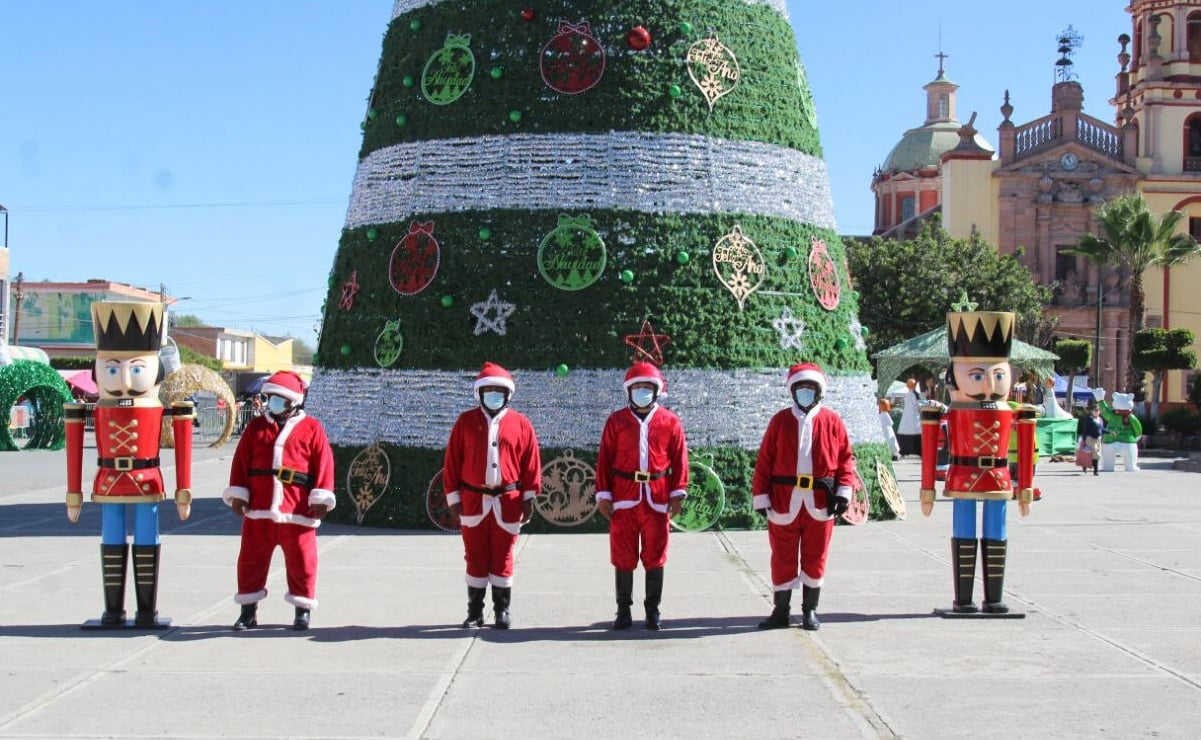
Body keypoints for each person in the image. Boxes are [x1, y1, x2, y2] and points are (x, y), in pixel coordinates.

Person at [63, 302, 194, 629]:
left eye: (136, 369)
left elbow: (184, 442)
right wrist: (73, 493)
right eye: (111, 368)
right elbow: (74, 443)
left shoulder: (159, 406)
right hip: (108, 478)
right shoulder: (96, 408)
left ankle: (146, 611)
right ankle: (113, 610)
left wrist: (184, 491)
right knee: (112, 538)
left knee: (147, 536)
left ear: (155, 371)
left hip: (147, 477)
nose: (122, 378)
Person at [919, 310, 1036, 616]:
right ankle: (964, 599)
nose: (988, 384)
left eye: (998, 374)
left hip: (997, 475)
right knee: (965, 533)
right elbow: (930, 443)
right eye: (976, 374)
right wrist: (927, 490)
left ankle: (994, 598)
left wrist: (1025, 489)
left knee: (996, 532)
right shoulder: (953, 410)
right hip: (963, 473)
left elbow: (1026, 445)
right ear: (953, 375)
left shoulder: (1013, 410)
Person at [222, 370, 336, 631]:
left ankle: (302, 610)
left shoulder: (312, 428)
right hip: (259, 510)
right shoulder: (255, 427)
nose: (273, 402)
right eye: (271, 396)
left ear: (294, 401)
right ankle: (248, 612)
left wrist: (321, 497)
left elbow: (324, 464)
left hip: (298, 509)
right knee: (251, 561)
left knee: (302, 563)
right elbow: (241, 463)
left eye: (279, 398)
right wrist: (239, 494)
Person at [753, 362, 856, 631]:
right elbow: (765, 461)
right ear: (792, 391)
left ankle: (810, 610)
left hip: (820, 503)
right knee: (782, 556)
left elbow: (846, 459)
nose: (805, 393)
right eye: (800, 388)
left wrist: (844, 492)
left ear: (820, 391)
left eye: (810, 388)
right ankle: (781, 611)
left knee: (816, 555)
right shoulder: (780, 420)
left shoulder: (832, 421)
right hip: (784, 500)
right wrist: (761, 497)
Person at [444, 362, 542, 629]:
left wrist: (529, 497)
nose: (494, 394)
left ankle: (502, 611)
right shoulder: (465, 422)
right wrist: (453, 499)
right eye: (489, 390)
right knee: (475, 556)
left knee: (503, 556)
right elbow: (452, 462)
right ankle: (474, 612)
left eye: (499, 390)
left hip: (508, 502)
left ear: (508, 394)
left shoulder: (521, 424)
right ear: (480, 393)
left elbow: (531, 463)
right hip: (474, 502)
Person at [595, 362, 689, 631]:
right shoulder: (616, 421)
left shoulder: (670, 421)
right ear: (629, 391)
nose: (642, 392)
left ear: (657, 391)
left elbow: (680, 460)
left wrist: (677, 493)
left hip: (657, 499)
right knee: (623, 556)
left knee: (655, 555)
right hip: (624, 498)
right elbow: (604, 460)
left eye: (647, 388)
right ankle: (623, 611)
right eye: (637, 387)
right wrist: (604, 494)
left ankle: (653, 611)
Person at [896, 378, 922, 457]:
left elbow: (916, 404)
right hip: (911, 417)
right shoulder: (914, 394)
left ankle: (906, 451)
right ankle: (911, 451)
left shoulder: (913, 394)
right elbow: (917, 404)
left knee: (909, 431)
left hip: (910, 417)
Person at [1076, 405, 1105, 475]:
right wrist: (1084, 439)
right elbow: (1085, 429)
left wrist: (1110, 432)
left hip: (1098, 439)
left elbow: (1102, 429)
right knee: (1096, 454)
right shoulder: (1089, 419)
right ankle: (1096, 471)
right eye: (1095, 410)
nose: (1097, 412)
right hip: (1090, 438)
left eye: (1098, 410)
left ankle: (1085, 465)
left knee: (1095, 454)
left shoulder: (1100, 419)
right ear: (1092, 411)